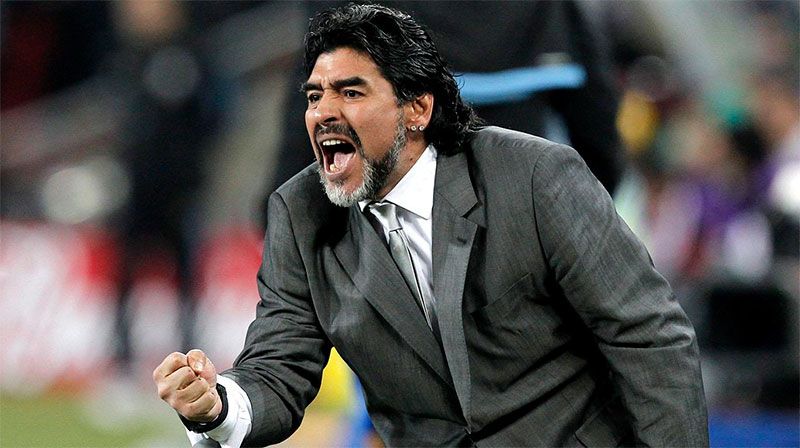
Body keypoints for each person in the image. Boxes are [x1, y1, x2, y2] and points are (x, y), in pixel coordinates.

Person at [153, 4, 708, 446]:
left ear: (417, 109)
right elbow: (279, 368)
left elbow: (649, 338)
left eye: (351, 92)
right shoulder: (300, 215)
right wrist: (217, 407)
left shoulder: (540, 178)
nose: (323, 113)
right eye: (315, 96)